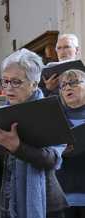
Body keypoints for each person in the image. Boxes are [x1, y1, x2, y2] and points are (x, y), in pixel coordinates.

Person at [0, 48, 67, 218]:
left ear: (34, 84)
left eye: (16, 82)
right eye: (4, 81)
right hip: (0, 205)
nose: (8, 88)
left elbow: (53, 159)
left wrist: (18, 147)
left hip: (45, 206)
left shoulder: (49, 112)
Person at [56, 69, 85, 218]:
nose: (67, 87)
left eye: (73, 83)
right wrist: (58, 151)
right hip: (62, 195)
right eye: (63, 85)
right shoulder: (53, 118)